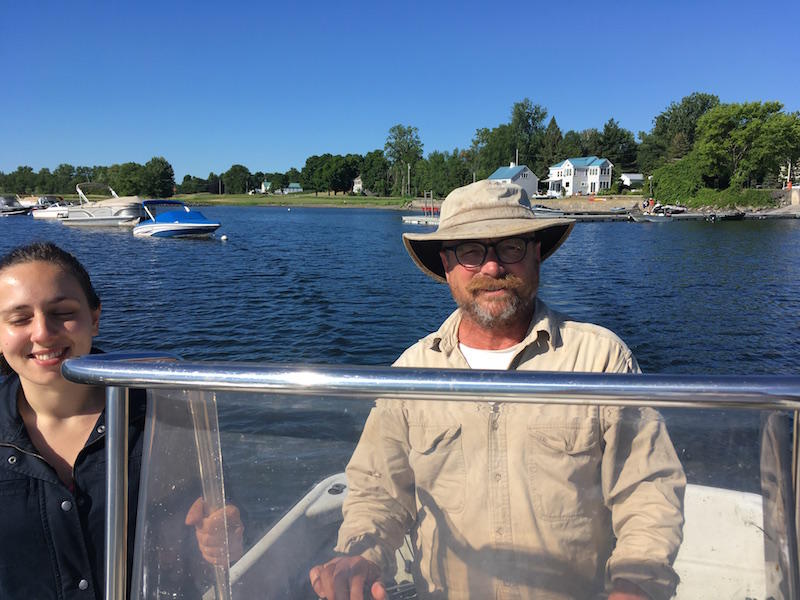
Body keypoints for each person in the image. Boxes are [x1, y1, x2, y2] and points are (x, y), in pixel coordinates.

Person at [310, 181, 686, 600]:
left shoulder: (600, 361)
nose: (491, 268)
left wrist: (635, 586)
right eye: (471, 251)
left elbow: (647, 490)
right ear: (446, 265)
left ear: (537, 254)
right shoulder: (412, 373)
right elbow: (378, 492)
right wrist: (362, 555)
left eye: (510, 247)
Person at [0, 242, 243, 600]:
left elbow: (217, 530)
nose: (42, 333)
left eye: (61, 312)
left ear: (94, 318)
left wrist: (224, 539)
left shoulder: (163, 417)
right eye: (20, 319)